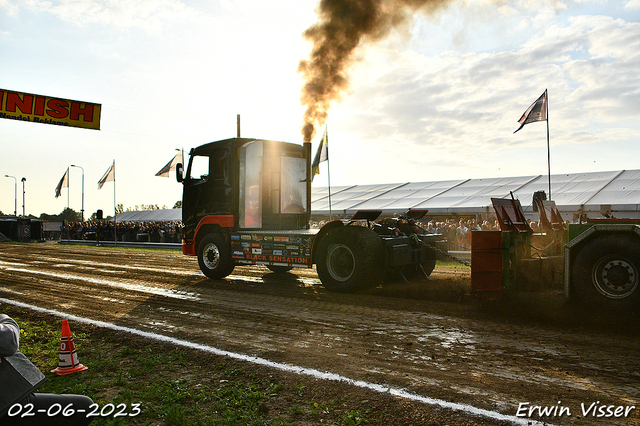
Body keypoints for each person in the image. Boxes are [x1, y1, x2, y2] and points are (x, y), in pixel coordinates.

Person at [0, 314, 94, 426]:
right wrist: (5, 320)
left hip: (9, 400)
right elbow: (8, 341)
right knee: (84, 407)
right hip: (7, 405)